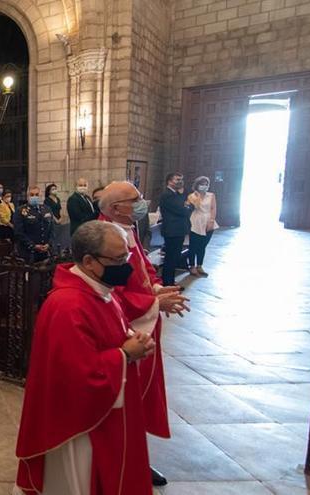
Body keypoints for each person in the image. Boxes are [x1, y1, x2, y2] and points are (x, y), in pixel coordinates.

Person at [14, 221, 154, 495]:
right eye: (118, 259)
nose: (126, 265)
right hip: (79, 428)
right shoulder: (68, 305)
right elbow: (79, 377)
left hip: (103, 417)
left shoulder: (100, 291)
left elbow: (109, 333)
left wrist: (131, 338)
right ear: (89, 261)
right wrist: (125, 353)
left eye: (127, 256)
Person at [99, 181, 191, 487]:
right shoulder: (104, 237)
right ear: (115, 209)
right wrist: (153, 302)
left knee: (138, 399)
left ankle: (136, 456)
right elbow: (110, 289)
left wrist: (156, 288)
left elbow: (141, 270)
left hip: (143, 324)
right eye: (135, 199)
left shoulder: (128, 230)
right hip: (124, 330)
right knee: (124, 399)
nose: (142, 203)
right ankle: (125, 458)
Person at [158, 173, 193, 286]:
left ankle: (170, 280)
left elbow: (190, 206)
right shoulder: (167, 195)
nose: (180, 182)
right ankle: (168, 282)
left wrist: (187, 205)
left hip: (178, 229)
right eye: (177, 179)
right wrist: (187, 206)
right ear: (169, 181)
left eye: (181, 179)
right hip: (172, 230)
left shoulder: (176, 194)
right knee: (171, 257)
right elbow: (183, 210)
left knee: (174, 257)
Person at [187, 176, 218, 277]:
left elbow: (213, 208)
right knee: (193, 245)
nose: (204, 186)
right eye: (202, 184)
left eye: (206, 184)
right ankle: (192, 266)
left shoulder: (211, 195)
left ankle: (200, 265)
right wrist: (197, 196)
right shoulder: (192, 196)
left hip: (208, 219)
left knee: (203, 245)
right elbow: (192, 206)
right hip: (196, 220)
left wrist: (211, 220)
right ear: (197, 185)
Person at [13, 186, 54, 262]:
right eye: (31, 195)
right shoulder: (21, 211)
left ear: (40, 196)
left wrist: (49, 244)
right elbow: (19, 232)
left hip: (45, 252)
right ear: (27, 196)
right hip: (28, 252)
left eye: (37, 194)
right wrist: (33, 246)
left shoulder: (47, 209)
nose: (34, 197)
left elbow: (52, 229)